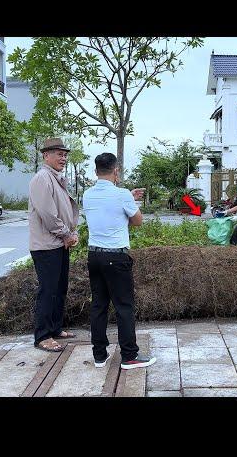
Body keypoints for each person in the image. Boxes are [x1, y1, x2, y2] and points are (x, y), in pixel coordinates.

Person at [82, 152, 156, 370]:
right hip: (116, 256)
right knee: (124, 306)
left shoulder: (87, 194)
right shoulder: (122, 194)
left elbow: (106, 209)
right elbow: (137, 221)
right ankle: (129, 356)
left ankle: (99, 355)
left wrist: (126, 197)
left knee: (99, 306)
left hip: (94, 255)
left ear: (96, 172)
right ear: (116, 171)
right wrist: (130, 200)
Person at [28, 138, 80, 352]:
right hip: (46, 246)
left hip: (59, 244)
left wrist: (71, 233)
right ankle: (42, 336)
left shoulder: (56, 178)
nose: (63, 158)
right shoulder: (42, 179)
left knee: (60, 289)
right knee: (48, 290)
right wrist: (66, 234)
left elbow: (65, 211)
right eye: (58, 154)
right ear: (45, 156)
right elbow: (48, 215)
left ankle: (56, 327)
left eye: (65, 154)